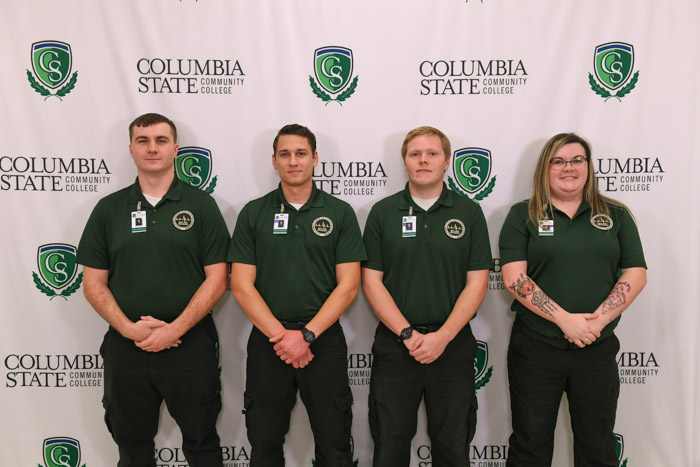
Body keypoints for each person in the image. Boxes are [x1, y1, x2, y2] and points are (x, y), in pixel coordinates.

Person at [77, 113, 230, 466]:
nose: (152, 148)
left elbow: (218, 279)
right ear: (130, 149)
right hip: (126, 348)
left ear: (175, 149)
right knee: (132, 448)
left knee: (202, 444)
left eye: (161, 140)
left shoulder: (201, 205)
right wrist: (130, 329)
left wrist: (174, 329)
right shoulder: (109, 209)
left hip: (190, 347)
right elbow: (93, 284)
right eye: (143, 141)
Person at [499, 133, 647, 466]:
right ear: (545, 168)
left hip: (597, 345)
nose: (569, 168)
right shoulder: (522, 215)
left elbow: (636, 274)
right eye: (559, 161)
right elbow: (514, 278)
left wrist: (596, 322)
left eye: (578, 160)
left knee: (598, 446)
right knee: (529, 445)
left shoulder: (616, 215)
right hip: (536, 347)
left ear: (589, 167)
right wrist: (565, 320)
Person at [228, 124, 365, 467]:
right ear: (274, 160)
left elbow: (348, 285)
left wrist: (306, 336)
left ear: (315, 158)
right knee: (264, 444)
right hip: (268, 342)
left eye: (301, 153)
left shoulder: (340, 213)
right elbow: (242, 286)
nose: (293, 161)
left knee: (335, 445)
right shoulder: (253, 214)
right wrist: (283, 337)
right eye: (285, 154)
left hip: (323, 340)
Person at [362, 126, 492, 466]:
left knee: (452, 447)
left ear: (447, 161)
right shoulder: (382, 213)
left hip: (452, 345)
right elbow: (371, 282)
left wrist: (442, 337)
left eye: (432, 154)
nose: (423, 160)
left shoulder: (469, 212)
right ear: (404, 162)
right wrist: (408, 335)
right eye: (415, 154)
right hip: (395, 345)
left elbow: (477, 282)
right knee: (389, 448)